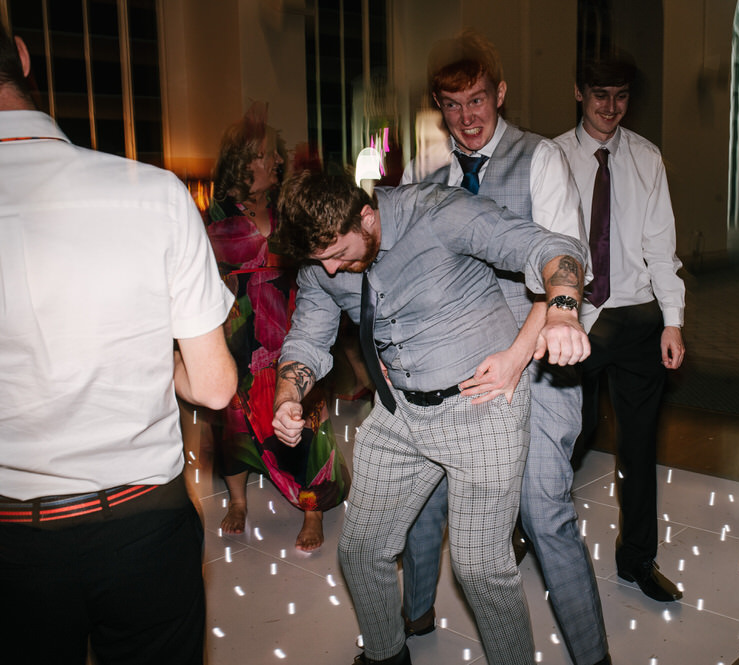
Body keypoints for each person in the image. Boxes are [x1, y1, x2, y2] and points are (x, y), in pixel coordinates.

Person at [270, 170, 591, 665]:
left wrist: (563, 312)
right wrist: (287, 397)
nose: (330, 271)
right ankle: (385, 655)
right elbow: (307, 339)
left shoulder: (440, 212)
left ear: (367, 217)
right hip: (398, 412)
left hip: (482, 409)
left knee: (480, 568)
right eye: (319, 262)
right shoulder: (322, 260)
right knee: (359, 551)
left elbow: (553, 247)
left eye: (337, 254)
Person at [0, 23, 237, 664]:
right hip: (141, 525)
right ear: (22, 56)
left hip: (13, 538)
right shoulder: (155, 195)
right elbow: (215, 386)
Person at [398, 30, 610, 665]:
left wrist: (518, 359)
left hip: (537, 364)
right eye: (452, 103)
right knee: (421, 497)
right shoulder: (423, 174)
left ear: (501, 93)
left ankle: (593, 659)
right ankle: (411, 621)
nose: (466, 117)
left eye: (477, 100)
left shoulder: (540, 160)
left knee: (544, 514)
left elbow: (563, 265)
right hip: (449, 366)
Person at [554, 56, 687, 602]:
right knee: (566, 436)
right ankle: (533, 527)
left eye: (622, 97)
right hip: (575, 319)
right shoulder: (554, 157)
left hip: (636, 318)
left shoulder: (646, 157)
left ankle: (637, 560)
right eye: (601, 95)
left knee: (638, 447)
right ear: (579, 92)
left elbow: (661, 249)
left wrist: (673, 321)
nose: (611, 108)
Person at [206, 104, 349, 552]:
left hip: (290, 324)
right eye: (267, 154)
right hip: (240, 332)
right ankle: (238, 501)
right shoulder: (217, 213)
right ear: (244, 160)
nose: (277, 161)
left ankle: (313, 507)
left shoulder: (285, 206)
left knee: (306, 412)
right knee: (233, 420)